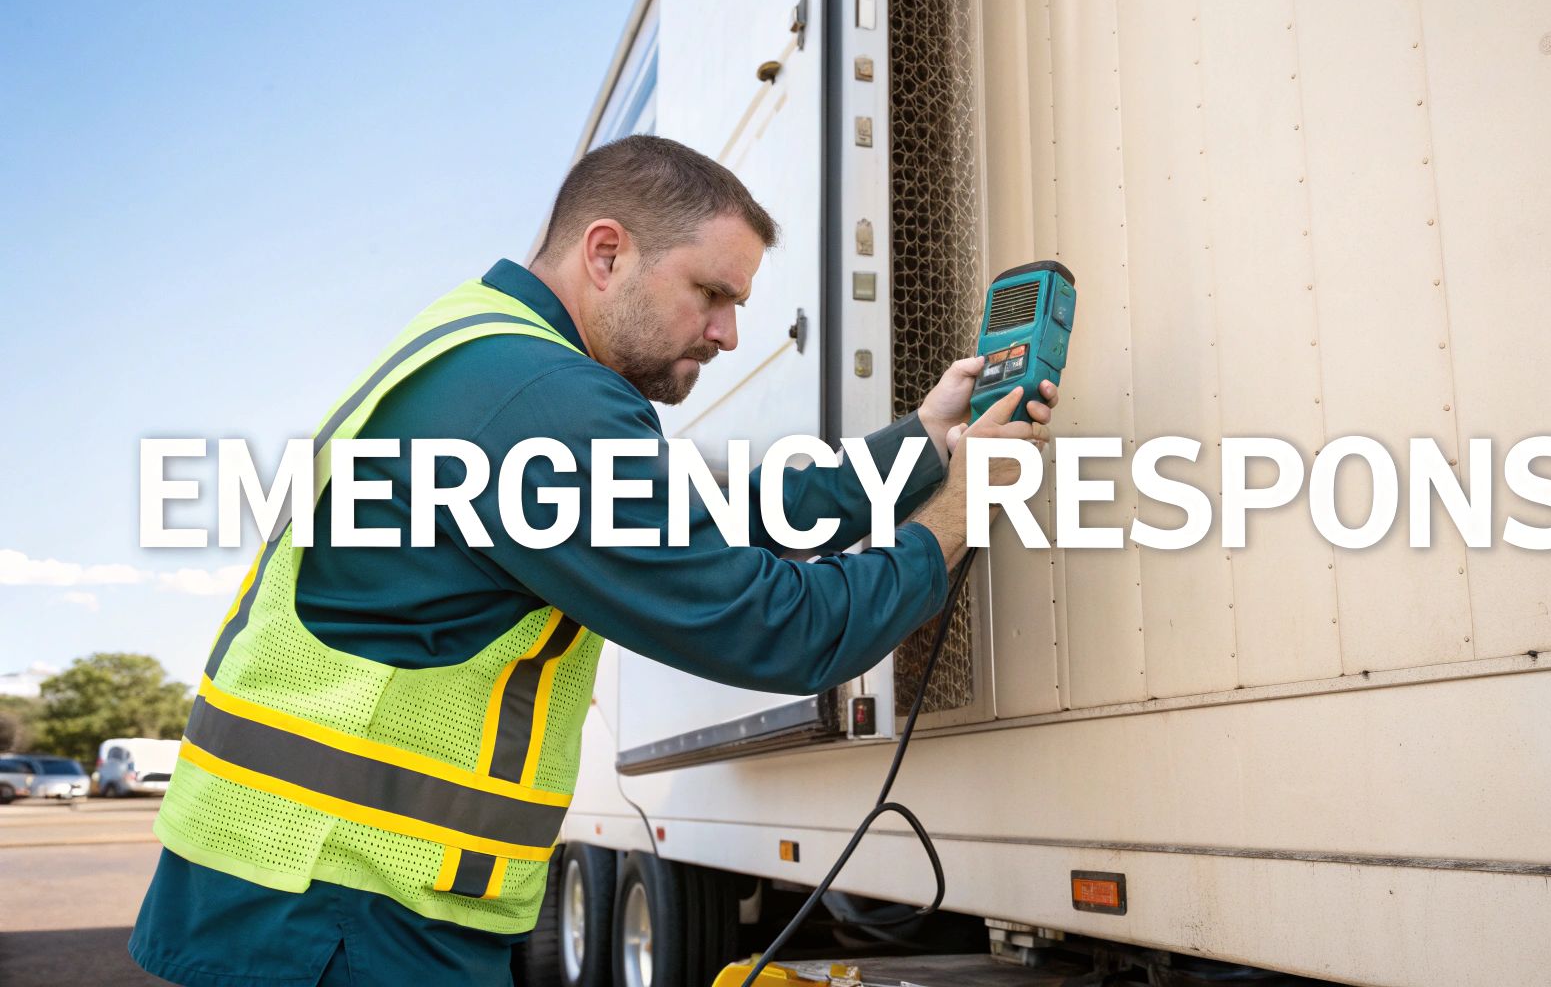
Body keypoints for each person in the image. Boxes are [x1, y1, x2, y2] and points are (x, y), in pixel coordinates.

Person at [129, 134, 1056, 986]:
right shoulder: (544, 402)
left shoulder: (485, 353)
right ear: (607, 253)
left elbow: (706, 517)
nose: (729, 334)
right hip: (340, 905)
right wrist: (966, 507)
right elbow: (776, 629)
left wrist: (926, 443)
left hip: (299, 886)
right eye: (714, 294)